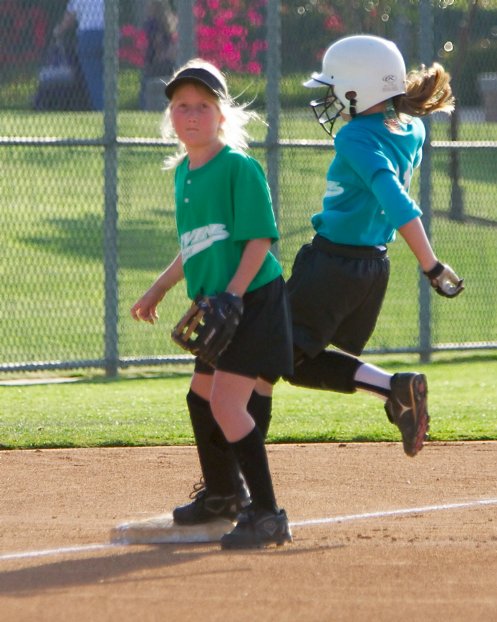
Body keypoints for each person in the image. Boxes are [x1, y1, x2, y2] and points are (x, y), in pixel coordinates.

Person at [131, 59, 293, 549]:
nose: (192, 114)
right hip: (220, 303)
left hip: (252, 299)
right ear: (171, 118)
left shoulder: (238, 168)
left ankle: (266, 513)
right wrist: (159, 287)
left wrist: (232, 297)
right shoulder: (184, 173)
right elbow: (197, 245)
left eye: (204, 105)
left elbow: (259, 240)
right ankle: (222, 494)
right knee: (199, 398)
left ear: (222, 115)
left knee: (225, 402)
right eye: (182, 106)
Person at [283, 35, 464, 457]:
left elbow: (394, 199)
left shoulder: (354, 138)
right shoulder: (412, 128)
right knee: (297, 359)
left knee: (273, 352)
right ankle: (394, 389)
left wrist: (431, 264)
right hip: (370, 269)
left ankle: (235, 479)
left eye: (335, 87)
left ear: (359, 88)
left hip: (332, 264)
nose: (329, 97)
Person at [54, 0, 104, 111]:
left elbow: (70, 16)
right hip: (107, 33)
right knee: (107, 74)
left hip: (88, 34)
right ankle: (111, 108)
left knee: (93, 77)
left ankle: (101, 109)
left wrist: (59, 30)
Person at [140, 0, 177, 110]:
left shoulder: (152, 23)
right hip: (166, 62)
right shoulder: (169, 23)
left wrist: (159, 56)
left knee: (146, 89)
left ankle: (144, 108)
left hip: (154, 61)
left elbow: (158, 42)